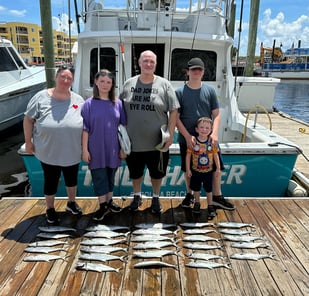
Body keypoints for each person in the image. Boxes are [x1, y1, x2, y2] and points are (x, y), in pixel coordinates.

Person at [119, 50, 179, 214]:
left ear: (156, 64)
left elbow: (174, 110)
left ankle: (155, 197)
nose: (148, 64)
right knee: (135, 173)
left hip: (157, 142)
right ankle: (137, 195)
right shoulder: (128, 83)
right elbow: (118, 108)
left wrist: (171, 134)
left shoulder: (164, 84)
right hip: (133, 141)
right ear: (139, 63)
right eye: (145, 61)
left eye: (152, 61)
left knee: (157, 174)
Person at [23, 66, 84, 224]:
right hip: (48, 150)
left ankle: (71, 203)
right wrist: (28, 141)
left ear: (72, 81)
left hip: (72, 149)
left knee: (72, 179)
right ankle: (50, 208)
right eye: (62, 77)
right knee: (51, 179)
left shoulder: (78, 99)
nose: (65, 81)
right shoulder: (40, 97)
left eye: (69, 78)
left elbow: (86, 124)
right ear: (56, 77)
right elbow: (28, 119)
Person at [176, 57, 235, 212]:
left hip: (208, 139)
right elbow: (175, 118)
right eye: (193, 69)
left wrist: (214, 134)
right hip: (187, 139)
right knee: (188, 170)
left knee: (217, 169)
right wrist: (188, 137)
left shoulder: (210, 91)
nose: (196, 72)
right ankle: (189, 195)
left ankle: (217, 197)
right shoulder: (179, 92)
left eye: (199, 69)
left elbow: (216, 115)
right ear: (187, 72)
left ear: (203, 72)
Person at [81, 70, 127, 221]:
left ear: (112, 84)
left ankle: (109, 201)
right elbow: (85, 129)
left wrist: (122, 148)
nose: (105, 85)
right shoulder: (88, 104)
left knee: (110, 176)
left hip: (113, 147)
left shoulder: (118, 103)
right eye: (102, 81)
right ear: (96, 82)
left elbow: (123, 127)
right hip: (95, 147)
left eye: (108, 82)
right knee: (99, 176)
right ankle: (102, 206)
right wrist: (84, 150)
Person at [186, 117, 220, 219]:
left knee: (209, 190)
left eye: (207, 128)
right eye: (201, 127)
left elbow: (215, 155)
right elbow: (188, 156)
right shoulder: (193, 142)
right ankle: (197, 203)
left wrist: (218, 168)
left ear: (210, 130)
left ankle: (210, 206)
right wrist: (188, 169)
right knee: (196, 189)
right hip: (195, 171)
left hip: (208, 172)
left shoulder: (211, 143)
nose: (204, 130)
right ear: (197, 129)